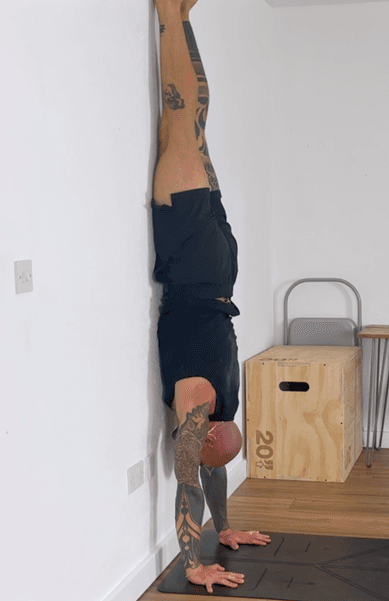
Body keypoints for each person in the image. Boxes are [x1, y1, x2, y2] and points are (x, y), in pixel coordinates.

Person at [150, 0, 271, 593]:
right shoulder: (216, 408)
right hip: (212, 266)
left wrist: (191, 560)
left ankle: (169, 13)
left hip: (190, 251)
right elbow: (208, 478)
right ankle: (178, 15)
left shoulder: (198, 402)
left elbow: (188, 483)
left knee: (184, 121)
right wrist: (223, 530)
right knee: (196, 122)